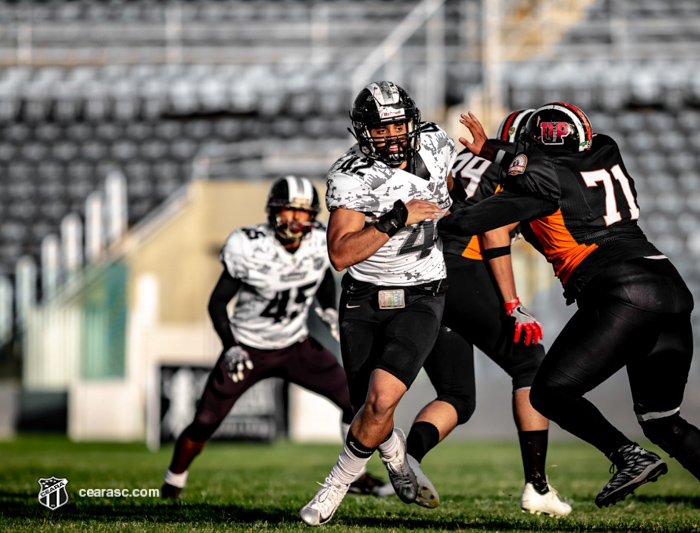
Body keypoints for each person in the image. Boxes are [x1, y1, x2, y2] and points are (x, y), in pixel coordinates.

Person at [439, 103, 700, 531]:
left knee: (548, 392)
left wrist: (443, 212)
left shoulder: (538, 183)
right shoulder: (605, 148)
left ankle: (626, 455)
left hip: (619, 289)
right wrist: (500, 157)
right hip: (668, 284)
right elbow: (538, 170)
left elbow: (485, 214)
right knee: (663, 419)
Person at [161, 176, 389, 500]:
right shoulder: (249, 245)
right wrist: (231, 347)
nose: (296, 220)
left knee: (355, 400)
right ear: (273, 212)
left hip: (296, 344)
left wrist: (326, 308)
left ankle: (356, 476)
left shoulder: (320, 241)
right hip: (248, 348)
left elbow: (321, 272)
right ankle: (173, 483)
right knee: (205, 421)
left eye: (303, 212)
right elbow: (216, 303)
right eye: (289, 211)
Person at [298, 81, 454, 526]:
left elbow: (462, 184)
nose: (391, 135)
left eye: (397, 125)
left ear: (412, 120)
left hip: (423, 290)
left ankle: (333, 489)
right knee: (366, 408)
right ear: (363, 132)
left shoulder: (438, 143)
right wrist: (397, 216)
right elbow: (341, 254)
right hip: (366, 296)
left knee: (382, 400)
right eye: (380, 129)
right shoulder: (352, 174)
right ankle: (397, 458)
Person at [402, 109, 571, 516]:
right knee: (531, 364)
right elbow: (494, 229)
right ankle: (537, 485)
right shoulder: (514, 168)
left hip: (420, 271)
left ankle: (406, 463)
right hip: (462, 268)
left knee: (457, 395)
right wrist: (512, 303)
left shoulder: (463, 159)